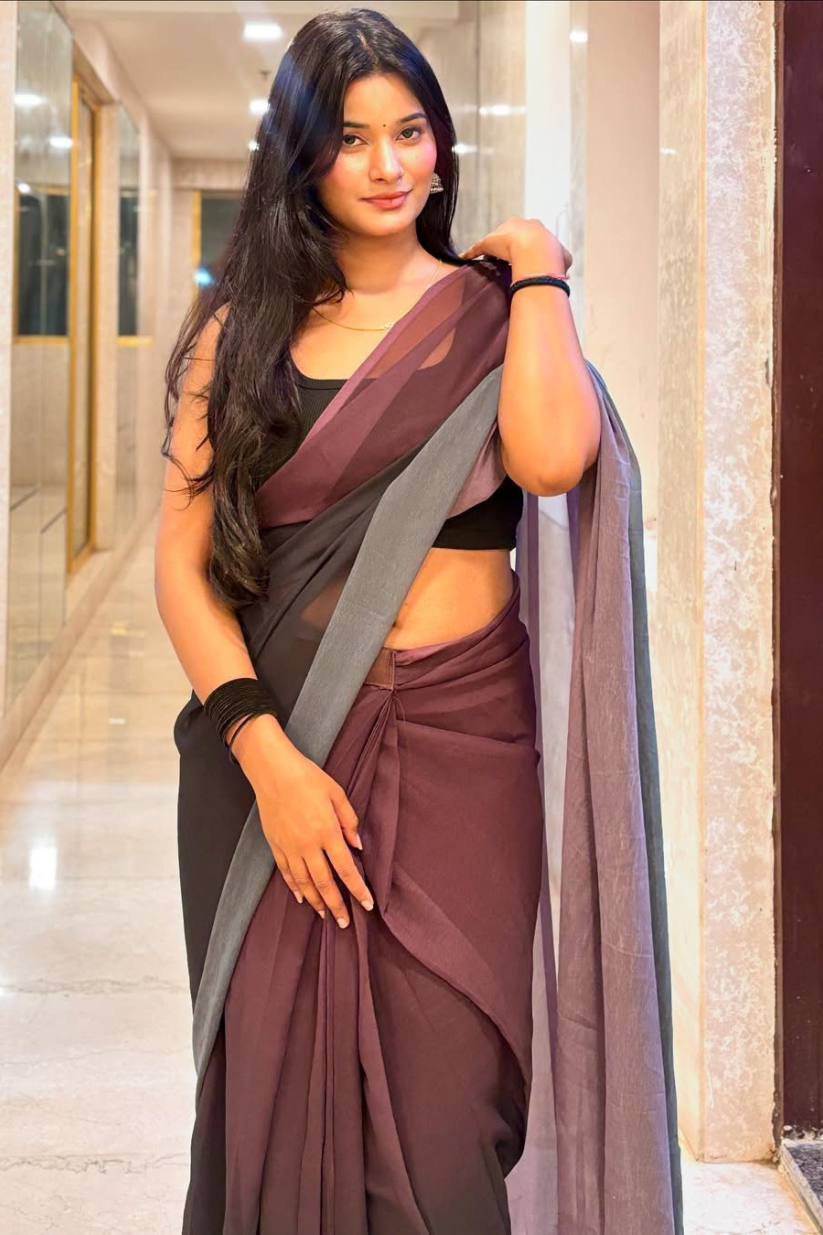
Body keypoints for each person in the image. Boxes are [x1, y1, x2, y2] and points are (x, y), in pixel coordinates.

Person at [155, 8, 682, 1234]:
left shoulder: (492, 313)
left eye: (409, 131)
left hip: (462, 751)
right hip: (272, 748)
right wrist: (269, 760)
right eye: (350, 139)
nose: (387, 164)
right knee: (275, 1096)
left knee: (449, 1120)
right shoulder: (243, 335)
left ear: (442, 144)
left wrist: (539, 266)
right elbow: (181, 572)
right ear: (302, 159)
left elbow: (550, 460)